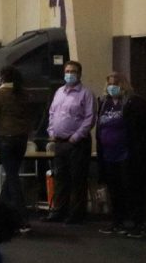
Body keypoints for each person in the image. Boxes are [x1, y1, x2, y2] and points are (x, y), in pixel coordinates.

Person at [96, 71, 146, 238]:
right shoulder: (104, 103)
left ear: (123, 85)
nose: (112, 87)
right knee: (114, 189)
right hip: (109, 154)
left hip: (129, 154)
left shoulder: (134, 102)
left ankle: (138, 224)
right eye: (109, 84)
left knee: (132, 189)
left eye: (115, 84)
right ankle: (117, 222)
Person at [45, 60, 95, 225]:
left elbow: (89, 118)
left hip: (77, 143)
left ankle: (76, 214)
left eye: (72, 71)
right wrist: (51, 131)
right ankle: (59, 211)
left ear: (79, 74)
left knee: (77, 179)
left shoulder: (86, 94)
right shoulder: (59, 92)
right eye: (67, 71)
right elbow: (52, 113)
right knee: (60, 178)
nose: (69, 74)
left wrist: (76, 136)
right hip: (59, 142)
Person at [0, 65, 32, 232]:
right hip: (22, 138)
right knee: (11, 175)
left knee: (12, 177)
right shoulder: (24, 93)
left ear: (2, 78)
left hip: (5, 137)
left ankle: (22, 218)